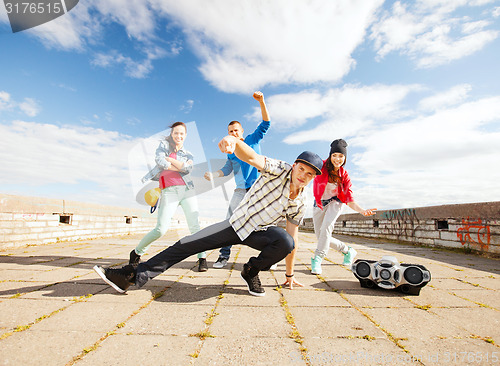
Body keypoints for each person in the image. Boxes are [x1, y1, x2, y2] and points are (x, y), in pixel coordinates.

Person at [94, 136, 324, 296]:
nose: (304, 175)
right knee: (186, 244)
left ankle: (251, 271)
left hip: (260, 233)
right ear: (294, 166)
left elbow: (293, 239)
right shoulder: (279, 168)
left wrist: (290, 274)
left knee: (286, 240)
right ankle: (130, 276)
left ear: (313, 177)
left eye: (310, 174)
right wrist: (234, 142)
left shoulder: (301, 201)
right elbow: (252, 157)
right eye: (301, 169)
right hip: (236, 224)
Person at [204, 91, 270, 269]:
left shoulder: (252, 140)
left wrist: (262, 102)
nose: (233, 133)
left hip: (258, 188)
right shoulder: (231, 153)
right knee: (229, 222)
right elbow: (226, 170)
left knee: (264, 223)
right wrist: (213, 175)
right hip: (240, 191)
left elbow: (266, 123)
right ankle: (223, 256)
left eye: (236, 131)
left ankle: (269, 257)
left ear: (241, 132)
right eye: (230, 131)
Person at [131, 122, 208, 272]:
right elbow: (160, 162)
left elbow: (188, 169)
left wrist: (171, 160)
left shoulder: (189, 153)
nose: (178, 136)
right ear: (172, 134)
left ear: (185, 135)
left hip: (187, 190)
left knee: (195, 227)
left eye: (181, 133)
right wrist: (180, 166)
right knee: (160, 229)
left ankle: (202, 258)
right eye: (176, 133)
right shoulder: (163, 146)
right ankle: (136, 253)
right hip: (169, 190)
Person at [311, 139, 377, 275]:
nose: (337, 159)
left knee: (326, 228)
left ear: (345, 158)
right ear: (330, 156)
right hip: (319, 203)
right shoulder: (321, 166)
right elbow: (306, 167)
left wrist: (362, 211)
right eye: (334, 155)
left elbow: (349, 199)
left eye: (341, 156)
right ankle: (348, 251)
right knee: (321, 236)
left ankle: (317, 258)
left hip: (336, 203)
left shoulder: (344, 176)